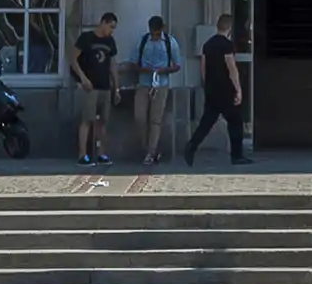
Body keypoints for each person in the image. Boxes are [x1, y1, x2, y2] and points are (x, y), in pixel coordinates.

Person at [127, 13, 184, 177]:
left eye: (157, 33)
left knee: (155, 119)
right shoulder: (142, 41)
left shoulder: (170, 43)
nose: (154, 36)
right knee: (139, 117)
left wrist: (162, 70)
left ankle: (151, 153)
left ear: (162, 29)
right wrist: (142, 69)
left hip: (161, 84)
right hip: (143, 83)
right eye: (152, 33)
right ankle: (148, 147)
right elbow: (133, 62)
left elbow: (177, 65)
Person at [190, 18, 253, 166]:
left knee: (206, 122)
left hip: (212, 89)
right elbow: (231, 69)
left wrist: (207, 85)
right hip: (225, 89)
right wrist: (238, 89)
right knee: (235, 122)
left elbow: (203, 68)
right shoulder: (227, 45)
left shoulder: (208, 44)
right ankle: (237, 155)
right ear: (229, 29)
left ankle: (191, 146)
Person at [69, 14, 120, 181]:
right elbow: (73, 58)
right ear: (103, 23)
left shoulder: (110, 42)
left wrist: (116, 87)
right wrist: (83, 78)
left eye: (113, 28)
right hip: (90, 86)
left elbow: (112, 64)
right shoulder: (87, 38)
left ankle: (101, 153)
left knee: (102, 121)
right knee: (87, 119)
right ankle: (82, 154)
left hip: (105, 86)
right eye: (110, 27)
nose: (111, 31)